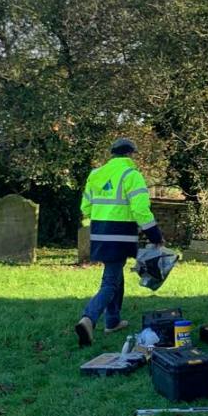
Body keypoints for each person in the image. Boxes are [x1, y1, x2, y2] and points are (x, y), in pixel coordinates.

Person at [75, 138, 164, 347]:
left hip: (99, 233)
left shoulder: (95, 175)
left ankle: (112, 321)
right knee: (110, 282)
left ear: (112, 154)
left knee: (115, 273)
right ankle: (88, 319)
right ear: (131, 154)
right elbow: (140, 210)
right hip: (121, 234)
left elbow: (85, 208)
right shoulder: (132, 175)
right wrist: (155, 236)